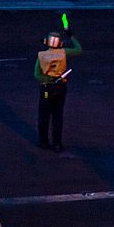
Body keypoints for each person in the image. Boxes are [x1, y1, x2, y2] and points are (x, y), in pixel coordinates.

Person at [34, 22, 82, 152]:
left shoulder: (41, 55)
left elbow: (37, 75)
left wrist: (48, 79)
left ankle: (44, 142)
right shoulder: (63, 52)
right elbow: (78, 49)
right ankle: (57, 144)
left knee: (44, 116)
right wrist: (70, 35)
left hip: (47, 89)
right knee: (57, 116)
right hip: (60, 87)